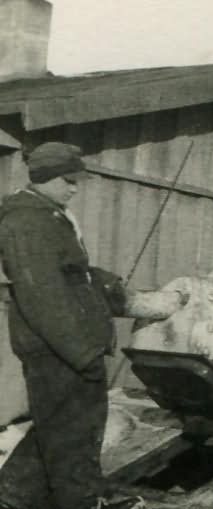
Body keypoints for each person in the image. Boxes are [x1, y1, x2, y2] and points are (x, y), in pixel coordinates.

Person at [0, 143, 145, 509]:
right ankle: (79, 502)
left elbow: (72, 276)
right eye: (68, 180)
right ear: (45, 177)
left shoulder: (49, 215)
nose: (75, 188)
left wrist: (109, 286)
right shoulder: (28, 222)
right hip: (60, 351)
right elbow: (42, 295)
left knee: (56, 431)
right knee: (73, 436)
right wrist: (81, 354)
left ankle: (13, 496)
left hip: (67, 348)